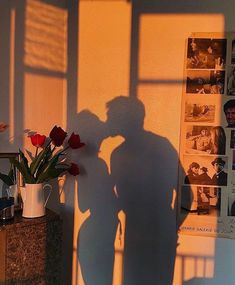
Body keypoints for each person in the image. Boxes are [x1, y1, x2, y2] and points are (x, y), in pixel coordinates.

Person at [106, 96, 183, 285]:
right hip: (150, 231)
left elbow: (186, 192)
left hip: (147, 232)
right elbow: (186, 192)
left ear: (125, 119)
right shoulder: (159, 146)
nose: (108, 121)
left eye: (111, 116)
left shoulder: (119, 154)